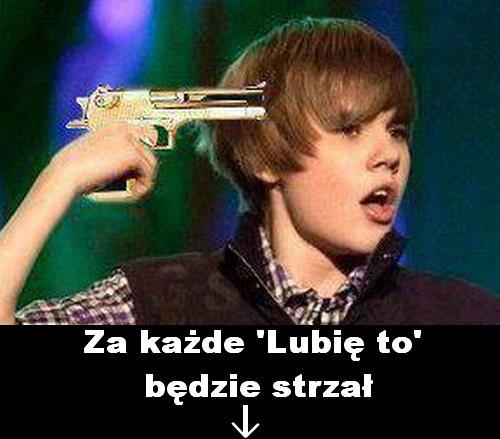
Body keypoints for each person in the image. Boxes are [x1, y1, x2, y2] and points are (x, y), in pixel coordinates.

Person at [1, 17, 499, 325]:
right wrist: (60, 178)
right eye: (350, 130)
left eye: (397, 130)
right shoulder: (159, 305)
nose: (388, 154)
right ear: (265, 158)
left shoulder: (463, 315)